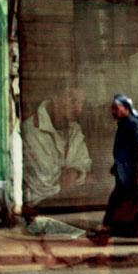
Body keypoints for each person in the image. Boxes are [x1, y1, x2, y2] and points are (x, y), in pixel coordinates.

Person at [94, 95, 138, 245]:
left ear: (126, 108)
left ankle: (106, 232)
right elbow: (125, 150)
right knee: (126, 203)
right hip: (127, 173)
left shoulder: (133, 125)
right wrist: (117, 166)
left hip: (135, 175)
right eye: (112, 108)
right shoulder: (124, 124)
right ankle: (107, 231)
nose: (113, 111)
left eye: (116, 108)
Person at [21, 78, 93, 207]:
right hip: (39, 209)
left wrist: (75, 171)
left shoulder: (74, 129)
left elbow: (85, 163)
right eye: (73, 101)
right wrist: (78, 177)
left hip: (67, 203)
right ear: (55, 98)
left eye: (82, 103)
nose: (79, 109)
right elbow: (44, 185)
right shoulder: (31, 131)